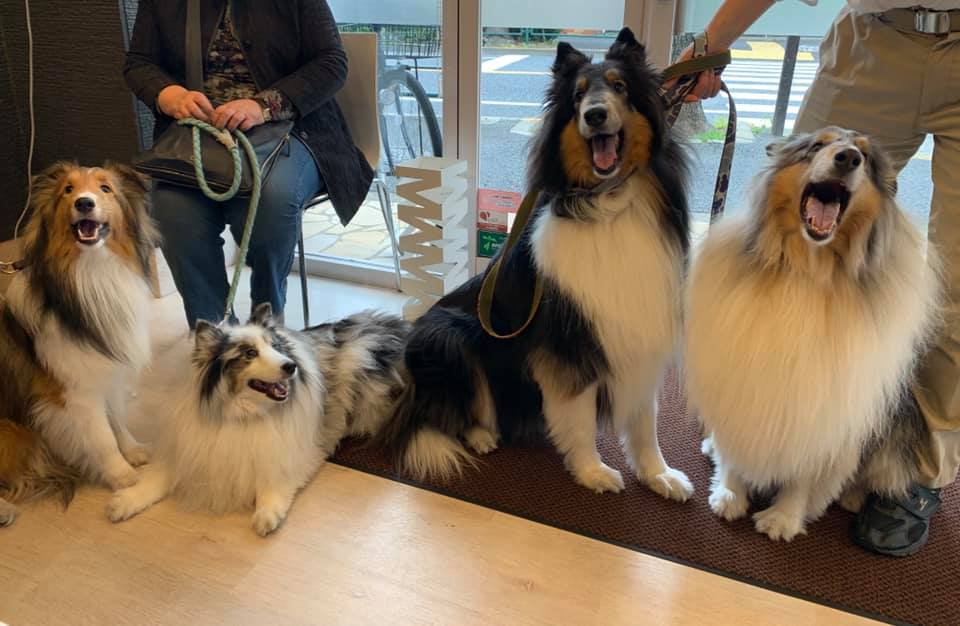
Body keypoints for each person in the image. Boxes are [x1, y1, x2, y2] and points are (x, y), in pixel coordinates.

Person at [673, 0, 959, 556]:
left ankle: (917, 473)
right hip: (876, 36)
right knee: (778, 228)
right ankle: (746, 430)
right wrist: (710, 44)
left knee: (955, 294)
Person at [124, 0, 373, 327]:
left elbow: (332, 64)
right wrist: (168, 94)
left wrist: (263, 106)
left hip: (293, 130)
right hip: (199, 138)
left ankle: (266, 328)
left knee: (271, 201)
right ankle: (213, 334)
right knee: (172, 211)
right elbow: (138, 63)